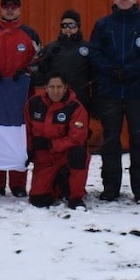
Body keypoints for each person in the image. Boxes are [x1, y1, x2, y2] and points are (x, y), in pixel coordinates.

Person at [87, 0, 140, 204]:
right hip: (109, 91)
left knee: (139, 140)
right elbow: (94, 53)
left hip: (136, 91)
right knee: (111, 141)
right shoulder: (103, 25)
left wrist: (129, 70)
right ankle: (111, 187)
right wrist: (111, 70)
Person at [0, 0, 41, 198]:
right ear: (1, 8)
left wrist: (26, 71)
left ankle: (18, 184)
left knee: (19, 140)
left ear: (20, 8)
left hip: (20, 99)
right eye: (6, 5)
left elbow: (40, 61)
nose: (10, 9)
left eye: (14, 5)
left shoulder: (30, 35)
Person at [25, 74, 91, 209]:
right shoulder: (34, 103)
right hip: (44, 158)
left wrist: (51, 144)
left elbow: (77, 138)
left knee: (79, 153)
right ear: (46, 88)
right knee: (38, 200)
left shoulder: (75, 107)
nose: (56, 91)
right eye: (52, 87)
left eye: (59, 87)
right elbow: (26, 130)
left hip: (66, 155)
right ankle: (59, 184)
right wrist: (29, 149)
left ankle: (75, 197)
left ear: (66, 88)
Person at [35, 9, 94, 111]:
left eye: (71, 25)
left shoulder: (87, 48)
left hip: (80, 98)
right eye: (64, 25)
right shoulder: (51, 48)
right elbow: (42, 72)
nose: (68, 28)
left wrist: (94, 100)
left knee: (78, 126)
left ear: (78, 26)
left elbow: (94, 75)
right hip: (56, 98)